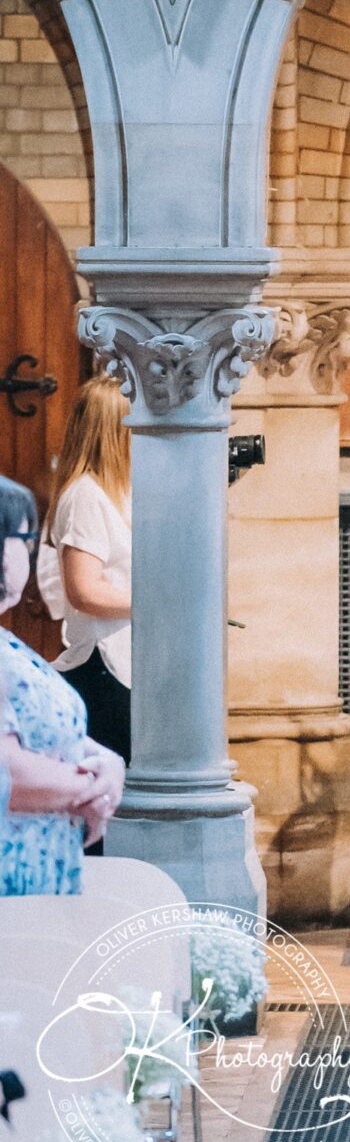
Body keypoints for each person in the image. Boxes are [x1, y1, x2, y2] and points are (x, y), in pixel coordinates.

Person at [0, 474, 124, 894]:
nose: (31, 553)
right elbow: (6, 772)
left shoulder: (8, 642)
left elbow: (42, 726)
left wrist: (107, 762)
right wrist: (88, 789)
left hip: (43, 878)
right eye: (24, 538)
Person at [40, 375, 132, 798]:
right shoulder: (86, 496)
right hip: (103, 664)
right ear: (115, 429)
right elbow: (84, 590)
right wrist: (158, 603)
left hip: (128, 663)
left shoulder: (118, 492)